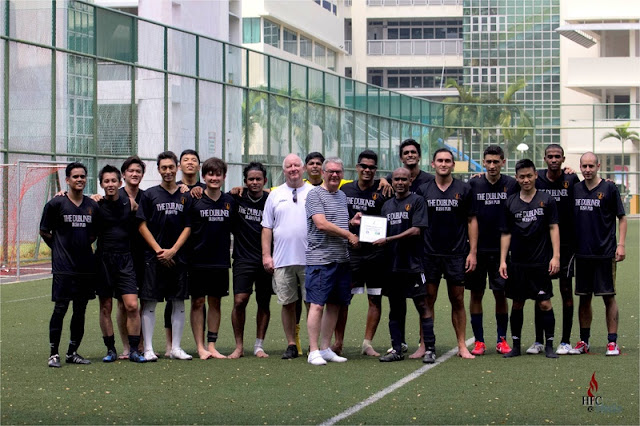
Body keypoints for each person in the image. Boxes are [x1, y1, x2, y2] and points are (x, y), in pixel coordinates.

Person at [417, 148, 477, 361]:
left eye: (447, 161)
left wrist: (472, 252)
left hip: (456, 254)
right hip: (429, 254)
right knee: (427, 300)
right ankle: (424, 344)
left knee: (458, 299)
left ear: (453, 164)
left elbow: (471, 220)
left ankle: (461, 344)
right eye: (440, 160)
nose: (443, 164)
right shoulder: (423, 190)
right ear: (433, 164)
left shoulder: (464, 188)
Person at [40, 162, 100, 367]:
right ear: (67, 180)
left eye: (82, 176)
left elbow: (93, 234)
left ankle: (72, 352)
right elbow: (44, 230)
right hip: (64, 268)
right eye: (75, 176)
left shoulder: (92, 206)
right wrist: (58, 248)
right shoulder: (56, 204)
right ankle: (53, 354)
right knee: (60, 308)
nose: (79, 179)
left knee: (80, 310)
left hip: (85, 268)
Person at [499, 159, 560, 359]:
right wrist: (503, 260)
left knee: (545, 303)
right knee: (517, 303)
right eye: (522, 177)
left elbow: (553, 227)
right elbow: (506, 233)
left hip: (540, 262)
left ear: (535, 176)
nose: (526, 180)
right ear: (516, 178)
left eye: (529, 176)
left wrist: (556, 257)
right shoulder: (510, 202)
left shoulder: (547, 200)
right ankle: (516, 346)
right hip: (517, 263)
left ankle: (549, 345)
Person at [137, 151, 192, 362]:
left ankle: (176, 348)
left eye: (171, 167)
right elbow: (141, 225)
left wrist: (173, 250)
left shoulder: (185, 195)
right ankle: (148, 349)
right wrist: (159, 251)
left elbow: (188, 226)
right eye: (163, 168)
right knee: (150, 302)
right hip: (154, 258)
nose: (168, 171)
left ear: (177, 168)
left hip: (178, 258)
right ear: (158, 169)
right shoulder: (149, 195)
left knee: (178, 301)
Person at [569, 152, 627, 356]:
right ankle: (584, 341)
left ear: (598, 166)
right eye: (584, 166)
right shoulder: (575, 189)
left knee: (608, 297)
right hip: (582, 254)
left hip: (605, 252)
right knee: (584, 298)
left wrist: (621, 245)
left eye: (591, 166)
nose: (587, 170)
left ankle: (612, 342)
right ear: (580, 167)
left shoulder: (609, 188)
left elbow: (622, 218)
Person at [305, 157, 358, 366]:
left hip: (341, 259)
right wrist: (349, 234)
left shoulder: (342, 195)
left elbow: (337, 223)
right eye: (331, 171)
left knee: (335, 305)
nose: (335, 175)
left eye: (338, 171)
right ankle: (313, 350)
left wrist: (352, 223)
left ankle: (325, 348)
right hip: (321, 259)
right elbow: (321, 224)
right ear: (323, 173)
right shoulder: (314, 194)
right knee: (317, 305)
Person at [334, 150, 387, 357]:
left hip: (375, 253)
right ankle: (338, 343)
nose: (367, 170)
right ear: (357, 167)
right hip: (351, 252)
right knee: (343, 298)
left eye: (372, 167)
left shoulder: (383, 190)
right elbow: (337, 219)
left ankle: (367, 344)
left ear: (376, 170)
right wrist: (349, 232)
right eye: (364, 166)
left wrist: (386, 180)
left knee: (375, 298)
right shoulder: (345, 189)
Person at [467, 145, 518, 355]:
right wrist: (471, 251)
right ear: (483, 162)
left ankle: (501, 339)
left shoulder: (512, 184)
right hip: (477, 251)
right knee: (476, 294)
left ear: (503, 162)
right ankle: (479, 341)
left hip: (501, 252)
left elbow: (535, 180)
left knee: (500, 294)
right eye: (488, 161)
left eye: (496, 161)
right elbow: (469, 217)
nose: (492, 165)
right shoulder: (474, 184)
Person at [529, 144, 580, 355]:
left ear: (563, 159)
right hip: (541, 246)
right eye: (550, 156)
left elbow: (588, 188)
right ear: (544, 159)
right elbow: (515, 183)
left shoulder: (571, 179)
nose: (553, 159)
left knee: (566, 291)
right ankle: (538, 340)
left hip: (566, 246)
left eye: (557, 156)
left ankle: (565, 341)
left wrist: (608, 182)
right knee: (540, 293)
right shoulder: (537, 178)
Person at [261, 154, 313, 359]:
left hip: (310, 259)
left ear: (303, 168)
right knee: (287, 303)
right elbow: (267, 227)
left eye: (296, 165)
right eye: (289, 166)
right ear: (284, 171)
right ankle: (291, 344)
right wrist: (267, 255)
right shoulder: (275, 195)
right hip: (282, 260)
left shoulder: (314, 192)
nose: (293, 169)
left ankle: (314, 345)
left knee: (313, 303)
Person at [375, 168, 429, 362]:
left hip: (413, 263)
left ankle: (429, 348)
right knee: (395, 307)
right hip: (392, 264)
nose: (399, 182)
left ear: (410, 181)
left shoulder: (417, 201)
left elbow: (416, 230)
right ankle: (397, 349)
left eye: (403, 179)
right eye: (396, 179)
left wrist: (389, 239)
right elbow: (380, 231)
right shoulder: (387, 206)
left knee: (422, 305)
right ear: (392, 181)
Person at [95, 165, 146, 363]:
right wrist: (62, 193)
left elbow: (141, 222)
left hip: (125, 259)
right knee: (106, 307)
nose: (110, 184)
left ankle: (134, 350)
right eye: (106, 181)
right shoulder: (96, 204)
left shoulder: (130, 203)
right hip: (103, 261)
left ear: (120, 182)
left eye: (113, 181)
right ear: (101, 184)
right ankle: (111, 350)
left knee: (132, 305)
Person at [186, 157, 235, 360]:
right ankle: (200, 347)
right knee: (197, 302)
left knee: (215, 302)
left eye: (218, 174)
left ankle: (212, 345)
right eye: (210, 174)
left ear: (224, 177)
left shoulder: (230, 201)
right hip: (197, 261)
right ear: (204, 176)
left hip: (220, 261)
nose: (214, 178)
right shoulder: (194, 198)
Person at [163, 149, 205, 357]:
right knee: (172, 298)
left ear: (199, 165)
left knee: (199, 300)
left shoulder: (207, 188)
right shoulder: (173, 189)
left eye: (193, 160)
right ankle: (169, 345)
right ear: (179, 166)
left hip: (199, 253)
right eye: (185, 160)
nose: (190, 163)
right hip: (176, 253)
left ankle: (201, 345)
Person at [228, 162, 273, 359]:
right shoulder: (236, 197)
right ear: (245, 182)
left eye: (258, 179)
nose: (255, 182)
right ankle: (239, 346)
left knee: (264, 302)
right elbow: (214, 195)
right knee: (240, 301)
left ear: (265, 180)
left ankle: (258, 346)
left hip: (266, 259)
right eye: (251, 179)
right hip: (243, 258)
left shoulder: (271, 199)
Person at [115, 156, 146, 359]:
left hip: (143, 255)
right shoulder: (114, 196)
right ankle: (126, 347)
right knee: (123, 304)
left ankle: (141, 345)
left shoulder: (147, 197)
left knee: (140, 303)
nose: (134, 174)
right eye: (131, 171)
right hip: (120, 257)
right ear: (124, 174)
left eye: (138, 171)